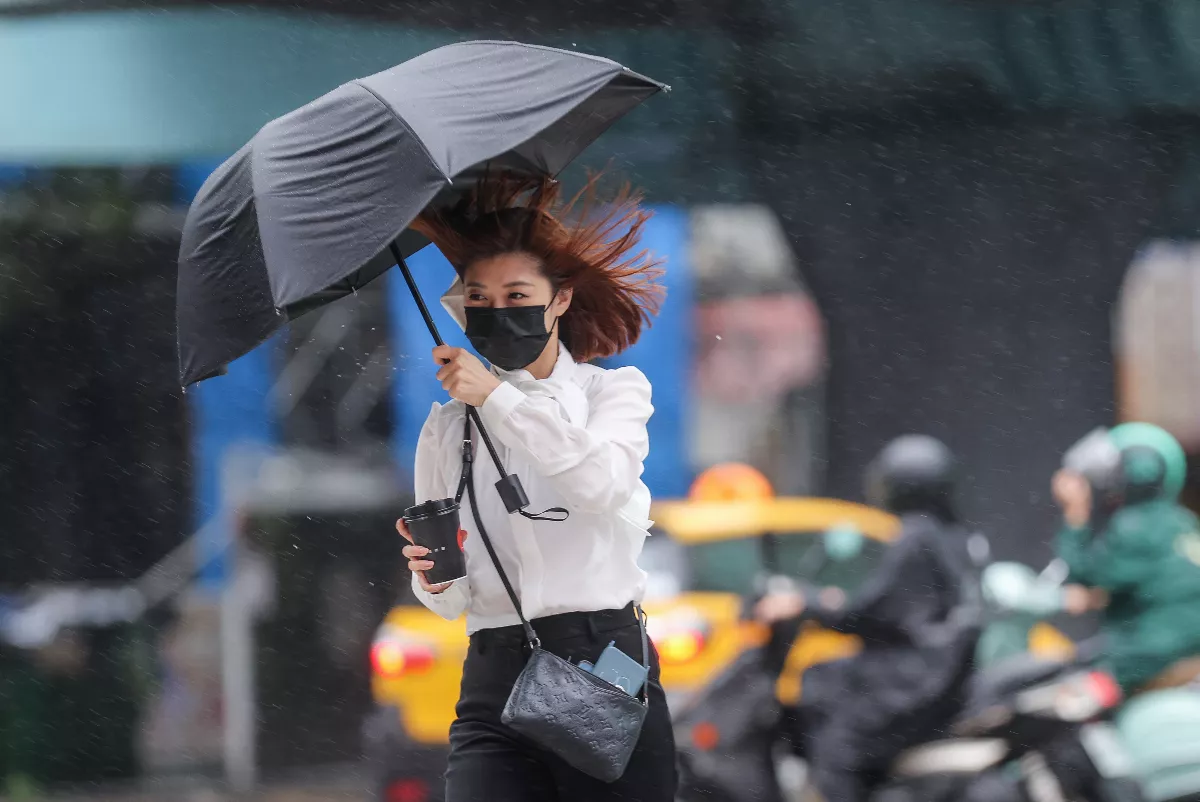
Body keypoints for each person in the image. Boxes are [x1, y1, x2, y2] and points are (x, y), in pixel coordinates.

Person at [395, 172, 677, 802]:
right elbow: (448, 600)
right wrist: (430, 572)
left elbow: (601, 482)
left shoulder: (614, 392)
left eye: (517, 293)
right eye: (479, 298)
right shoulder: (447, 427)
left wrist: (497, 399)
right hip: (493, 666)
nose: (497, 311)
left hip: (603, 658)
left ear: (559, 301)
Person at [755, 435, 980, 802]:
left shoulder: (917, 538)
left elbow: (877, 613)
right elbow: (894, 608)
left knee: (835, 733)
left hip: (915, 677)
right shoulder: (951, 535)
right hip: (938, 671)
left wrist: (812, 604)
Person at [1053, 422, 1200, 695]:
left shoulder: (1135, 525)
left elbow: (1085, 576)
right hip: (1186, 646)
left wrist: (1075, 512)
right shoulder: (1183, 520)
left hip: (1150, 648)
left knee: (1070, 693)